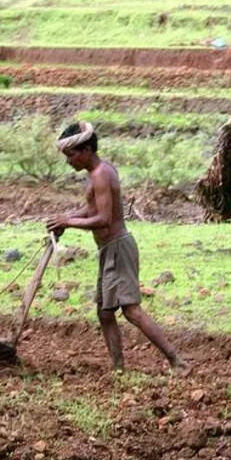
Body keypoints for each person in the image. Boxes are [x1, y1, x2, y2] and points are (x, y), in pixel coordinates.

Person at [45, 121, 189, 374]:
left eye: (71, 155)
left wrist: (68, 221)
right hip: (108, 249)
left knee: (131, 310)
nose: (69, 162)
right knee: (104, 312)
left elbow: (104, 218)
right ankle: (118, 369)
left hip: (118, 248)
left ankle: (177, 361)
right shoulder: (96, 174)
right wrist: (67, 219)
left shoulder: (102, 174)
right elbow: (92, 209)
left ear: (86, 150)